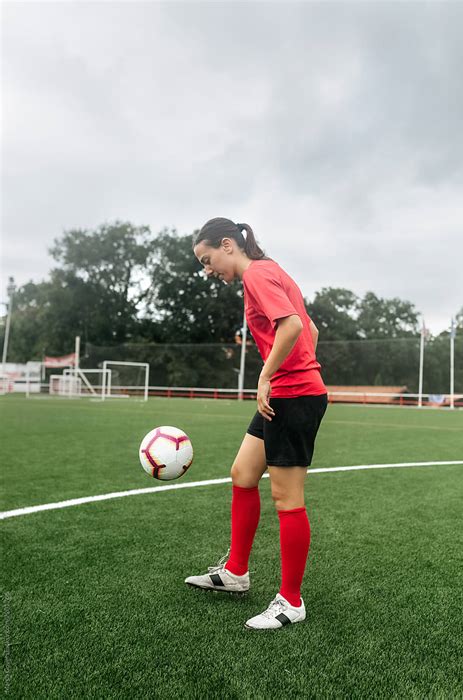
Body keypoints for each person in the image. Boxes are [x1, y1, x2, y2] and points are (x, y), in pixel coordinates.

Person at [185, 217, 327, 631]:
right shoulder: (273, 270)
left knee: (288, 498)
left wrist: (269, 375)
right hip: (286, 392)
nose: (207, 270)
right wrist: (294, 370)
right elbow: (311, 329)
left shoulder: (257, 276)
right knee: (243, 474)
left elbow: (295, 326)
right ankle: (236, 572)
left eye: (207, 260)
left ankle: (291, 602)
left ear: (227, 245)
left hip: (293, 397)